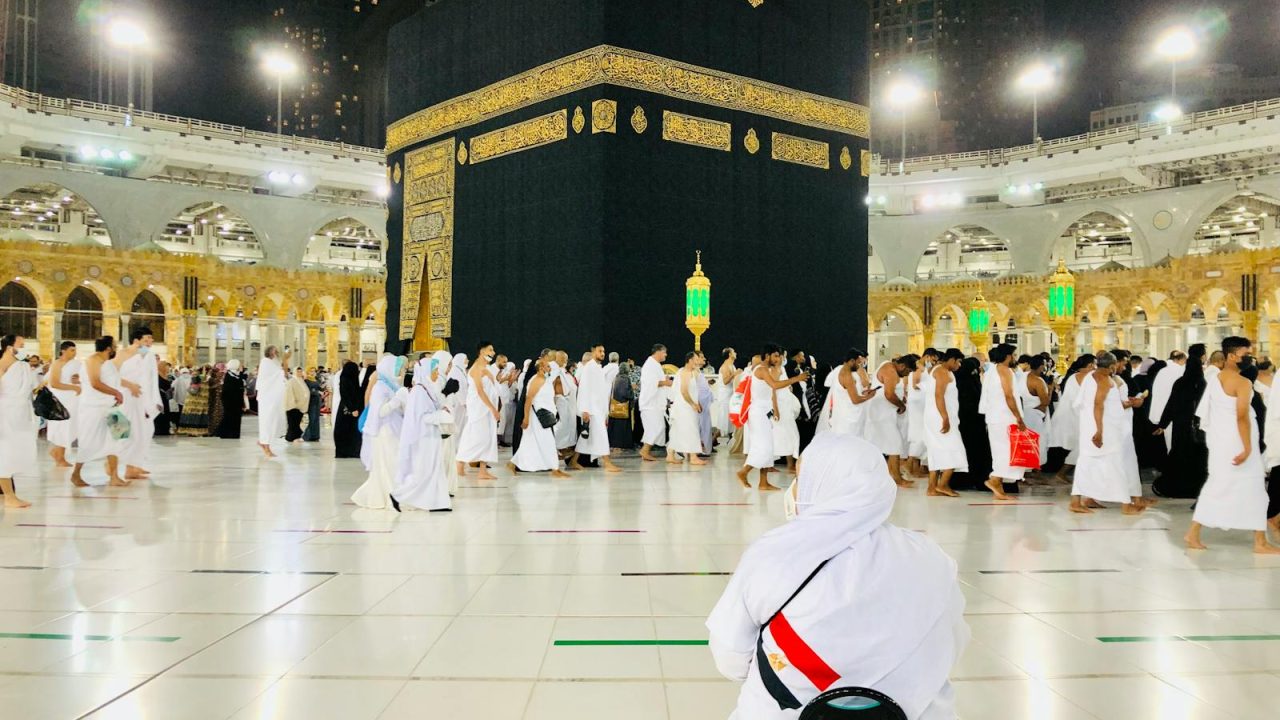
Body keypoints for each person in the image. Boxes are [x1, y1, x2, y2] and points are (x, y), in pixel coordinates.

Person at [707, 432, 968, 720]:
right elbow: (954, 644)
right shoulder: (930, 556)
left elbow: (730, 659)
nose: (794, 489)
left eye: (801, 478)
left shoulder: (774, 554)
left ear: (820, 483)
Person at [1186, 337, 1280, 553]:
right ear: (1231, 356)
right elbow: (1241, 417)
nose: (1250, 359)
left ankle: (1194, 533)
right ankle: (1260, 542)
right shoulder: (1243, 383)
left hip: (1222, 443)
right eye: (1246, 354)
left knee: (1221, 486)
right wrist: (1247, 448)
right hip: (1238, 443)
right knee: (1252, 488)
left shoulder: (1217, 378)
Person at [1070, 352, 1145, 515]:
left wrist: (1126, 403)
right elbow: (1098, 405)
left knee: (1086, 464)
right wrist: (1099, 431)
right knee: (1115, 464)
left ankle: (1075, 501)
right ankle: (1126, 505)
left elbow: (1105, 404)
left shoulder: (1090, 376)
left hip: (1089, 427)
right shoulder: (1105, 380)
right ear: (1112, 366)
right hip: (1103, 429)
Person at [736, 344, 807, 490]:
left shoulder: (767, 370)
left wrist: (775, 407)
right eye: (775, 355)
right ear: (767, 356)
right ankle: (744, 472)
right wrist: (797, 378)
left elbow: (771, 390)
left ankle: (763, 483)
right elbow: (775, 385)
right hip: (758, 413)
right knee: (763, 446)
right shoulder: (761, 370)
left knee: (768, 447)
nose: (778, 358)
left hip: (764, 412)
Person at [393, 353, 454, 512]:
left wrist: (441, 410)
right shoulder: (419, 391)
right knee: (425, 471)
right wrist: (442, 416)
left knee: (435, 470)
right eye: (434, 370)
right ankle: (398, 495)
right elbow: (423, 417)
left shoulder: (427, 388)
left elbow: (432, 409)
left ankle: (438, 502)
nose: (436, 373)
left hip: (431, 435)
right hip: (424, 437)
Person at [70, 336, 131, 488]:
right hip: (94, 407)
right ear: (109, 348)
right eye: (114, 345)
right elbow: (95, 382)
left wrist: (115, 394)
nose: (116, 348)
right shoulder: (93, 360)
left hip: (111, 407)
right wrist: (116, 393)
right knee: (89, 440)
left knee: (119, 437)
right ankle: (76, 474)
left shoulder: (108, 363)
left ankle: (114, 476)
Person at [351, 355, 408, 509]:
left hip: (392, 429)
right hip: (384, 432)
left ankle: (396, 494)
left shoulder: (391, 386)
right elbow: (380, 412)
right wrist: (397, 400)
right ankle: (391, 495)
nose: (400, 372)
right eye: (397, 369)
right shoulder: (380, 388)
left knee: (393, 463)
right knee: (389, 464)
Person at [1153, 344, 1209, 498]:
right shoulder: (1201, 382)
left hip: (1180, 424)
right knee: (1194, 457)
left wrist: (1163, 424)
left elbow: (1171, 403)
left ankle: (1176, 486)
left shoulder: (1181, 382)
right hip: (1195, 426)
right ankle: (1194, 489)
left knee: (1180, 454)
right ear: (1202, 357)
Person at [511, 349, 570, 477]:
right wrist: (526, 417)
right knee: (544, 440)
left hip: (540, 414)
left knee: (531, 441)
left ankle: (514, 463)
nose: (551, 365)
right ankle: (555, 469)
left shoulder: (544, 378)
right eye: (549, 363)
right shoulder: (537, 379)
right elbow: (529, 398)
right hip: (536, 414)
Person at [979, 343, 1027, 500]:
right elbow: (1009, 395)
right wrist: (1018, 417)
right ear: (1007, 356)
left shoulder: (991, 371)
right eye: (1013, 355)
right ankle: (995, 480)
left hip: (995, 417)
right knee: (1008, 451)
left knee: (1001, 451)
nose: (1015, 358)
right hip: (1005, 417)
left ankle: (998, 485)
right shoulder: (1004, 370)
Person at [866, 355, 918, 488]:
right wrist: (901, 405)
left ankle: (892, 475)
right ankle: (896, 478)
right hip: (881, 415)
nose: (907, 375)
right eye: (908, 372)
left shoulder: (890, 367)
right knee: (895, 444)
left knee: (890, 445)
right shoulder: (890, 371)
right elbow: (889, 394)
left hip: (884, 414)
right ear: (902, 366)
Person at [118, 328, 160, 480]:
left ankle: (135, 464)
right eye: (147, 338)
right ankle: (126, 467)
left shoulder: (147, 355)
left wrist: (154, 400)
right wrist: (130, 386)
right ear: (137, 340)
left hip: (142, 399)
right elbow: (114, 374)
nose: (150, 342)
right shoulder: (124, 354)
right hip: (127, 398)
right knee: (131, 432)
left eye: (151, 339)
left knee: (145, 431)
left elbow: (149, 381)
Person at [925, 348, 967, 498]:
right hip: (940, 417)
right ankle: (942, 485)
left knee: (937, 450)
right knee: (954, 449)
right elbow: (939, 396)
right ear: (952, 359)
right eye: (959, 361)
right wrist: (945, 417)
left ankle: (932, 487)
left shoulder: (938, 370)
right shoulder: (942, 372)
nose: (959, 365)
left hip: (935, 416)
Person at [457, 341, 501, 480]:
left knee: (487, 438)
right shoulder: (476, 368)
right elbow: (480, 392)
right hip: (480, 409)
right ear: (482, 351)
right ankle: (459, 464)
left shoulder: (486, 368)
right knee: (475, 437)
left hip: (487, 410)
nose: (492, 353)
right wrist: (493, 409)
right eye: (490, 350)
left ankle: (483, 470)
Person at [574, 344, 622, 472]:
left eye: (604, 351)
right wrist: (584, 409)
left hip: (598, 409)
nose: (602, 353)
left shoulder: (597, 368)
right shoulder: (589, 368)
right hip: (591, 410)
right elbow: (584, 389)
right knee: (601, 436)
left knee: (586, 440)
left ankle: (573, 461)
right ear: (593, 351)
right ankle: (607, 462)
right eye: (600, 351)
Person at [0, 335, 35, 507]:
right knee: (4, 455)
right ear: (9, 347)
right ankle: (9, 496)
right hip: (5, 414)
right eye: (21, 345)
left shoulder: (22, 365)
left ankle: (9, 494)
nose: (24, 348)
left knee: (14, 453)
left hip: (20, 414)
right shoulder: (1, 365)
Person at [668, 351, 708, 466]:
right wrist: (693, 404)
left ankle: (670, 454)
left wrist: (697, 402)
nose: (697, 362)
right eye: (695, 360)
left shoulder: (687, 371)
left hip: (684, 406)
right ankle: (693, 457)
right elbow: (684, 392)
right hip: (685, 407)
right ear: (690, 360)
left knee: (677, 430)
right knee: (692, 430)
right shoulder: (685, 372)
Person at [45, 341, 81, 468]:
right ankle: (59, 456)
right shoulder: (57, 364)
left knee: (70, 427)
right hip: (61, 400)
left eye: (75, 350)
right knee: (62, 427)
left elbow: (83, 378)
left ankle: (58, 453)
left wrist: (79, 380)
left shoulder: (77, 364)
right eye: (72, 350)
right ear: (63, 351)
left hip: (73, 401)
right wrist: (74, 388)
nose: (74, 353)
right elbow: (54, 383)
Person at [827, 349, 877, 436]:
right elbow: (855, 400)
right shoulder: (847, 375)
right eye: (858, 363)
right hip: (848, 417)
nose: (859, 366)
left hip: (844, 414)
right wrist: (870, 396)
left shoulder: (842, 371)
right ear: (852, 361)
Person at [906, 348, 939, 478]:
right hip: (917, 405)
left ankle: (915, 467)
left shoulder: (923, 368)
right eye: (933, 359)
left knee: (921, 434)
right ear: (927, 356)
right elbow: (915, 385)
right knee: (919, 435)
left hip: (922, 403)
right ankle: (909, 464)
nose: (934, 362)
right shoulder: (918, 368)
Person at [639, 344, 674, 461]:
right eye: (665, 352)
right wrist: (665, 383)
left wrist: (665, 381)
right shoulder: (649, 365)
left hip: (655, 404)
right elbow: (650, 384)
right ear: (658, 352)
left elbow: (658, 381)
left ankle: (646, 450)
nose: (666, 355)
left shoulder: (655, 365)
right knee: (655, 427)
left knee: (657, 427)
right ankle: (644, 450)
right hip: (650, 404)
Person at [256, 345, 291, 457]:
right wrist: (285, 360)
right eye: (275, 350)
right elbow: (281, 374)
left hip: (273, 396)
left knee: (274, 420)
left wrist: (285, 361)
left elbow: (283, 375)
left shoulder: (273, 363)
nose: (277, 352)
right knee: (267, 420)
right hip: (267, 397)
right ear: (270, 352)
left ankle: (266, 443)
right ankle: (265, 444)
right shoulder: (266, 362)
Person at [1023, 356, 1052, 469]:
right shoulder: (1037, 381)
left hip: (1023, 412)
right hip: (1034, 415)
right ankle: (1035, 468)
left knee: (1024, 442)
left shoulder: (1022, 376)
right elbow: (1045, 402)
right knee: (1036, 442)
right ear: (1041, 367)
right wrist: (1050, 389)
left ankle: (1026, 468)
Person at [333, 361, 364, 458]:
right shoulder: (345, 380)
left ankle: (351, 451)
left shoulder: (351, 379)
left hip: (348, 409)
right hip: (348, 409)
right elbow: (346, 395)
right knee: (347, 430)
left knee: (350, 431)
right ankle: (347, 451)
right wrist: (353, 409)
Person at [607, 358, 636, 451]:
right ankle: (621, 445)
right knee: (622, 429)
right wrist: (632, 392)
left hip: (615, 406)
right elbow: (625, 393)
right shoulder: (625, 378)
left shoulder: (616, 377)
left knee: (614, 428)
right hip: (623, 407)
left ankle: (613, 444)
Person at [215, 359, 248, 439]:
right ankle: (227, 433)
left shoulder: (235, 374)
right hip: (231, 401)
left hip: (236, 401)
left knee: (234, 418)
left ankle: (233, 433)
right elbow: (232, 388)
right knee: (229, 417)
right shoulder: (230, 375)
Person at [284, 367, 309, 443]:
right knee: (292, 423)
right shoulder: (291, 381)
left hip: (301, 405)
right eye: (298, 371)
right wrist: (293, 404)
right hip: (293, 406)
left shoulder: (302, 381)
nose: (299, 373)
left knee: (297, 422)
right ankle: (291, 437)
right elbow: (289, 393)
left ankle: (296, 436)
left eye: (301, 371)